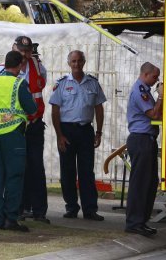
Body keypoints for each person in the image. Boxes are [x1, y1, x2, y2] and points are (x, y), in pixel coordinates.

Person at [0, 50, 37, 232]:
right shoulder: (19, 83)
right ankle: (11, 219)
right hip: (13, 136)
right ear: (20, 65)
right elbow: (32, 109)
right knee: (14, 177)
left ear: (4, 64)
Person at [49, 50, 107, 221]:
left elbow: (99, 109)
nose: (76, 64)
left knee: (87, 172)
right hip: (66, 131)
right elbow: (55, 110)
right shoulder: (61, 83)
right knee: (67, 171)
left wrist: (99, 132)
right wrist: (59, 135)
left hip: (85, 130)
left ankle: (90, 210)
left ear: (84, 62)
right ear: (69, 63)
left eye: (79, 61)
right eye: (73, 61)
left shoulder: (93, 83)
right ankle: (71, 207)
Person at [9, 35, 49, 223]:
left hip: (34, 124)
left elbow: (41, 86)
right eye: (21, 50)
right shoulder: (5, 69)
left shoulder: (39, 67)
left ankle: (39, 211)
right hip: (16, 126)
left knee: (36, 167)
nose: (24, 54)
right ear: (14, 48)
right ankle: (19, 208)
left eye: (27, 51)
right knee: (18, 167)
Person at [124, 62, 164, 237]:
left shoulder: (146, 91)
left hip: (148, 140)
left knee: (149, 183)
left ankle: (142, 221)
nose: (157, 80)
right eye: (155, 77)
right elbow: (154, 114)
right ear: (146, 74)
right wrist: (161, 97)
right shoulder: (140, 91)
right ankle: (134, 222)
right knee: (140, 183)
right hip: (140, 140)